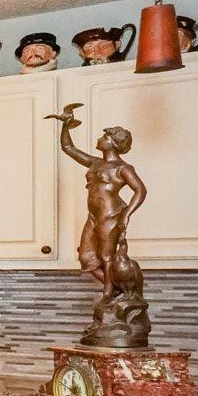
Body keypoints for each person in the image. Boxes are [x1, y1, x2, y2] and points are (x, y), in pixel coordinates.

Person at [49, 102, 150, 349]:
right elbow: (68, 148)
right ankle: (114, 288)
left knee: (107, 257)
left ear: (113, 142)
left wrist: (127, 215)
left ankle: (107, 292)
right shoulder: (94, 163)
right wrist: (66, 125)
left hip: (111, 215)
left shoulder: (123, 168)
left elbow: (140, 190)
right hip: (94, 217)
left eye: (104, 137)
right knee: (86, 257)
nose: (99, 139)